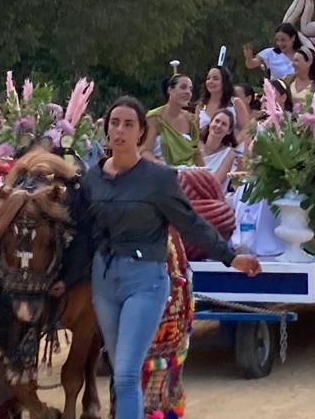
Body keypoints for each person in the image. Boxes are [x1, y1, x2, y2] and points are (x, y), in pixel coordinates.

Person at [72, 97, 260, 419]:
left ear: (141, 132)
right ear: (106, 131)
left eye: (128, 124)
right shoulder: (92, 180)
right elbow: (81, 233)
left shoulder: (158, 180)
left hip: (144, 281)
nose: (120, 130)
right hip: (104, 282)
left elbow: (191, 223)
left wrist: (230, 258)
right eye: (114, 123)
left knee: (129, 373)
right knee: (119, 372)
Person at [144, 74, 204, 168]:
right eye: (183, 87)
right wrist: (160, 165)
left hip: (189, 173)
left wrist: (205, 174)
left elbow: (197, 153)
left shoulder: (191, 119)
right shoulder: (155, 117)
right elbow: (145, 151)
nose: (188, 92)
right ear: (170, 90)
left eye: (190, 89)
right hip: (162, 173)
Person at [197, 66, 249, 140]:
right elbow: (196, 134)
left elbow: (246, 129)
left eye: (215, 79)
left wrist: (232, 146)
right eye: (208, 78)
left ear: (224, 82)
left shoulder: (235, 103)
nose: (210, 81)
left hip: (233, 148)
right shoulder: (200, 106)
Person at [199, 109, 238, 184]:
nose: (218, 126)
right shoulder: (195, 145)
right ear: (210, 123)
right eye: (217, 121)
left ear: (229, 131)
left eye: (224, 124)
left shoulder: (229, 154)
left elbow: (216, 182)